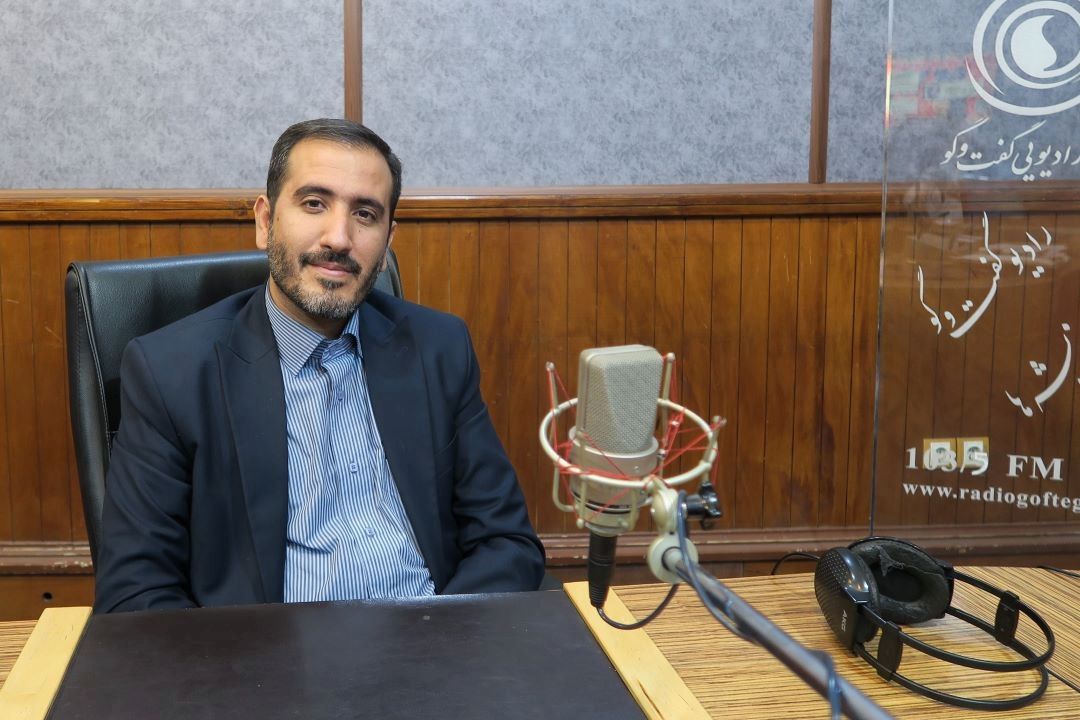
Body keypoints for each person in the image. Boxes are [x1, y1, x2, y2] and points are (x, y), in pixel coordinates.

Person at [94, 119, 545, 612]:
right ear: (266, 221)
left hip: (434, 639)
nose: (339, 238)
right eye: (314, 203)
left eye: (365, 214)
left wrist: (437, 638)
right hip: (267, 653)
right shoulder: (170, 372)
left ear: (388, 239)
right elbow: (136, 594)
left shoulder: (439, 348)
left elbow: (507, 542)